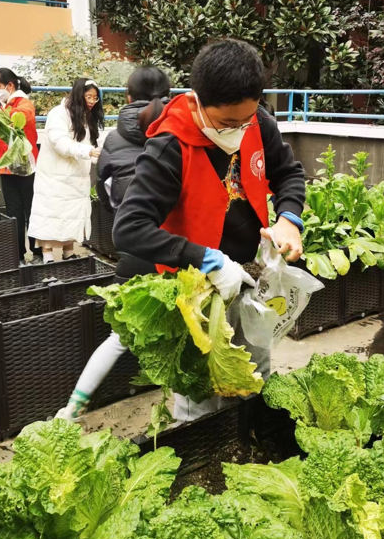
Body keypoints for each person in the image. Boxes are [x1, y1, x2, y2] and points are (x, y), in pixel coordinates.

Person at [56, 40, 305, 421]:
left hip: (245, 276)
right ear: (199, 101)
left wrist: (289, 217)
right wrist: (206, 259)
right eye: (226, 123)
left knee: (255, 377)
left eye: (246, 120)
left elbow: (288, 173)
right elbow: (130, 229)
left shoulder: (259, 123)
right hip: (193, 290)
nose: (238, 131)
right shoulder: (170, 144)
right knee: (201, 394)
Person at [55, 67, 171, 420]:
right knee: (190, 332)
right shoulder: (179, 133)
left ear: (127, 97)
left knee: (120, 335)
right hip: (177, 249)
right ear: (168, 94)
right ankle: (185, 413)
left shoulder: (111, 141)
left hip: (133, 249)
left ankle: (72, 408)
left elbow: (105, 198)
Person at [28, 78, 103, 263]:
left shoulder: (85, 115)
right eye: (88, 97)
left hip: (76, 177)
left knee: (71, 217)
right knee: (50, 215)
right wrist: (88, 152)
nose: (93, 101)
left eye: (95, 97)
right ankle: (47, 256)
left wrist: (97, 155)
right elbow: (59, 143)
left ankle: (69, 253)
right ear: (79, 95)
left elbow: (89, 144)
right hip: (54, 177)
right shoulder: (58, 113)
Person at [0, 68, 42, 265]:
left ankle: (36, 252)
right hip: (7, 168)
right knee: (14, 213)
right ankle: (18, 256)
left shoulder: (24, 104)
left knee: (31, 211)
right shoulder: (4, 106)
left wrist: (1, 116)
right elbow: (0, 136)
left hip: (26, 167)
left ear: (10, 85)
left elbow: (17, 120)